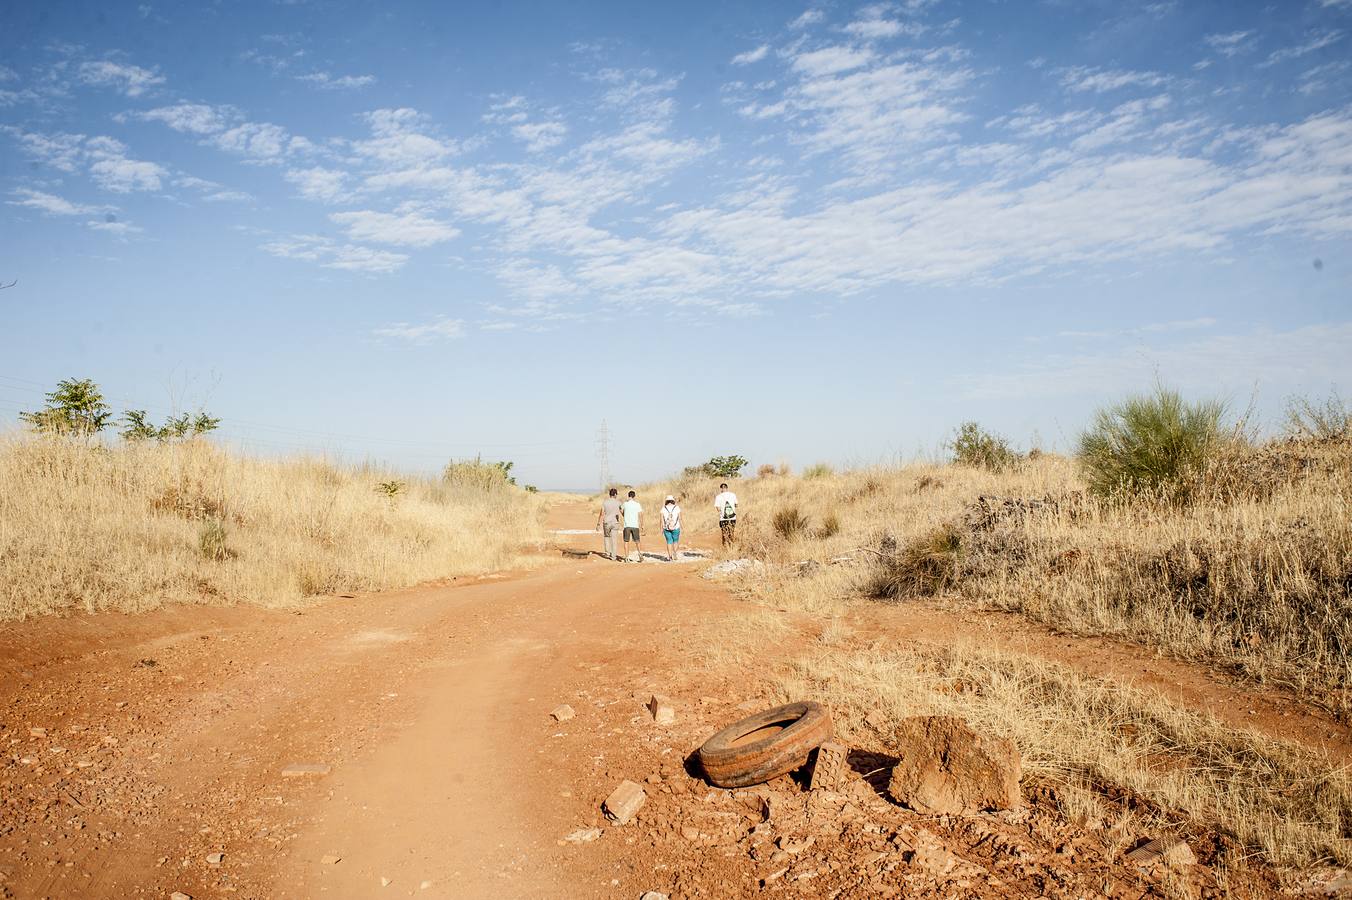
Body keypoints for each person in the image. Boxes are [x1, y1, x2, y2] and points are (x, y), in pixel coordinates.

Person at [596, 487, 622, 560]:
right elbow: (622, 512)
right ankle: (613, 556)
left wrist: (598, 524)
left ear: (610, 494)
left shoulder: (605, 502)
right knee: (614, 539)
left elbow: (601, 514)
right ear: (615, 494)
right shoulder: (618, 502)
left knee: (607, 537)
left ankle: (607, 553)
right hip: (615, 522)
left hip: (607, 522)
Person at [621, 490, 643, 561]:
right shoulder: (637, 504)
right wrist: (642, 525)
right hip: (635, 525)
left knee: (626, 541)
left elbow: (621, 510)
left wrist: (624, 515)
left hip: (627, 525)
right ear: (634, 496)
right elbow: (640, 515)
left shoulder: (625, 504)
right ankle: (640, 554)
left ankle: (627, 557)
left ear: (628, 496)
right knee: (637, 541)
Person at [660, 495, 682, 560]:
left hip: (666, 528)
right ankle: (674, 553)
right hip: (676, 527)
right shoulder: (677, 508)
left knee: (669, 541)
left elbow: (661, 520)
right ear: (673, 501)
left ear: (666, 501)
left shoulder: (663, 508)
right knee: (676, 541)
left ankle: (670, 557)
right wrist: (683, 527)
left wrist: (661, 528)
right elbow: (680, 518)